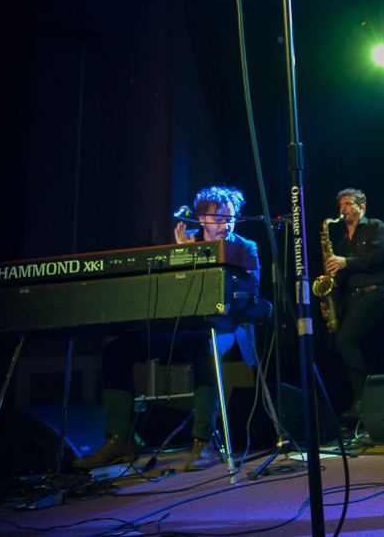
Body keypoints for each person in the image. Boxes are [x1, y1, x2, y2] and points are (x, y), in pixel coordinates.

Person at [74, 185, 260, 472]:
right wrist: (184, 257)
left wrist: (196, 257)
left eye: (231, 217)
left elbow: (247, 295)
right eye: (219, 218)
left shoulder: (245, 247)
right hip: (185, 326)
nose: (226, 224)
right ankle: (120, 439)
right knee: (116, 350)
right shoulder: (184, 243)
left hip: (224, 328)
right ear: (202, 219)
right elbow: (175, 295)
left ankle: (203, 443)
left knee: (206, 347)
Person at [324, 188, 384, 422]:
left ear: (361, 207)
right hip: (353, 298)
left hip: (376, 292)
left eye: (347, 203)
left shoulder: (376, 226)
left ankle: (362, 396)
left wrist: (346, 262)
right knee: (342, 343)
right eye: (340, 205)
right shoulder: (343, 240)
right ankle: (367, 401)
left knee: (346, 338)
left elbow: (380, 255)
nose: (342, 209)